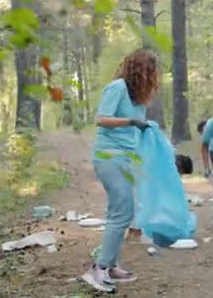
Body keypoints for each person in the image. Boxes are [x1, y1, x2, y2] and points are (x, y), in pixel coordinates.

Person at [82, 50, 159, 293]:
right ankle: (99, 268)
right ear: (139, 71)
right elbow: (101, 119)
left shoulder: (137, 98)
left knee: (124, 210)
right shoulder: (117, 88)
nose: (153, 77)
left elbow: (134, 132)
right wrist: (131, 122)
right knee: (122, 213)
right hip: (109, 157)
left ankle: (112, 265)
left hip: (126, 158)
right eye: (150, 71)